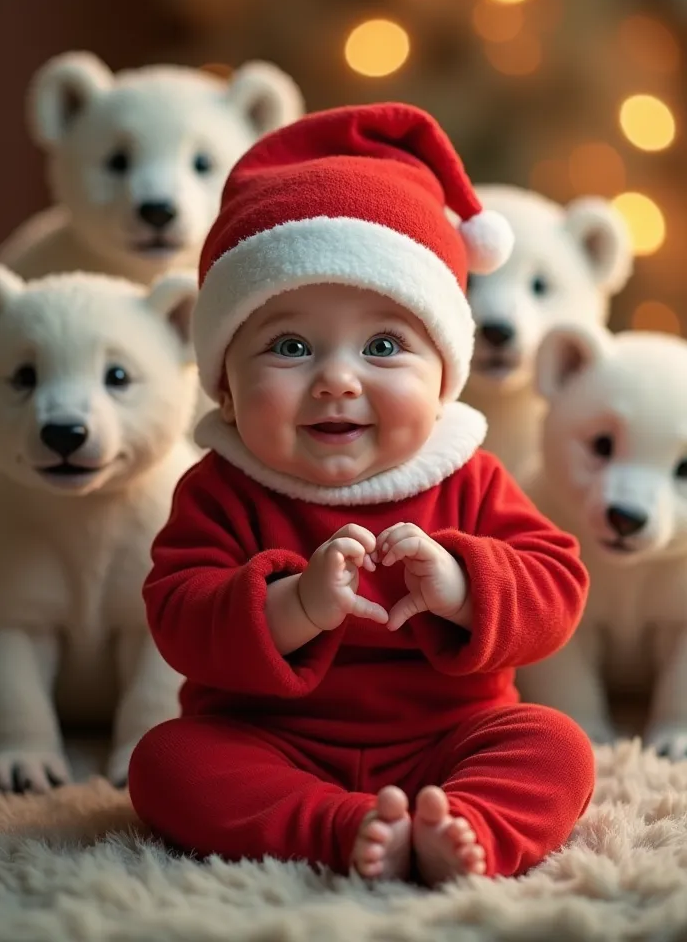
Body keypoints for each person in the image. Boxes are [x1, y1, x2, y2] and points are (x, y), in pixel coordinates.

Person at [128, 102, 595, 885]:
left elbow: (557, 584)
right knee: (166, 764)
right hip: (268, 738)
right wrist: (294, 604)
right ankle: (336, 829)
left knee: (556, 747)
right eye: (290, 345)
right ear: (229, 391)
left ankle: (466, 826)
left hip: (450, 737)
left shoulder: (465, 474)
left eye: (384, 345)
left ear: (444, 378)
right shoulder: (220, 488)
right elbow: (178, 614)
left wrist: (460, 584)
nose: (337, 379)